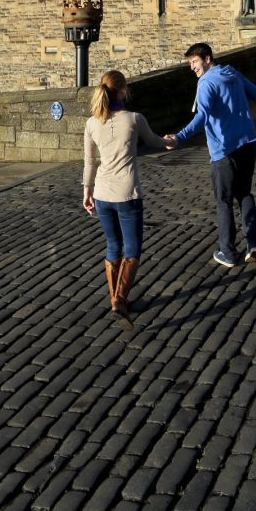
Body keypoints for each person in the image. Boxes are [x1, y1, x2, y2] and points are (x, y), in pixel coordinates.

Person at [165, 43, 256, 268]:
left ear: (207, 59)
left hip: (224, 150)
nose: (192, 67)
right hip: (249, 143)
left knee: (224, 201)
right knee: (244, 192)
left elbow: (202, 116)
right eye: (189, 63)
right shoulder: (232, 73)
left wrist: (179, 137)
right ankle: (253, 243)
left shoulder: (206, 82)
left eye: (194, 62)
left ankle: (227, 251)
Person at [83, 69, 167, 330]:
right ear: (122, 90)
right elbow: (154, 141)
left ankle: (114, 298)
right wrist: (173, 141)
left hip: (102, 194)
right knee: (131, 247)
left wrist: (86, 191)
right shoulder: (134, 119)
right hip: (127, 194)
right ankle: (120, 299)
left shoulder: (91, 123)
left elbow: (89, 162)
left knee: (112, 245)